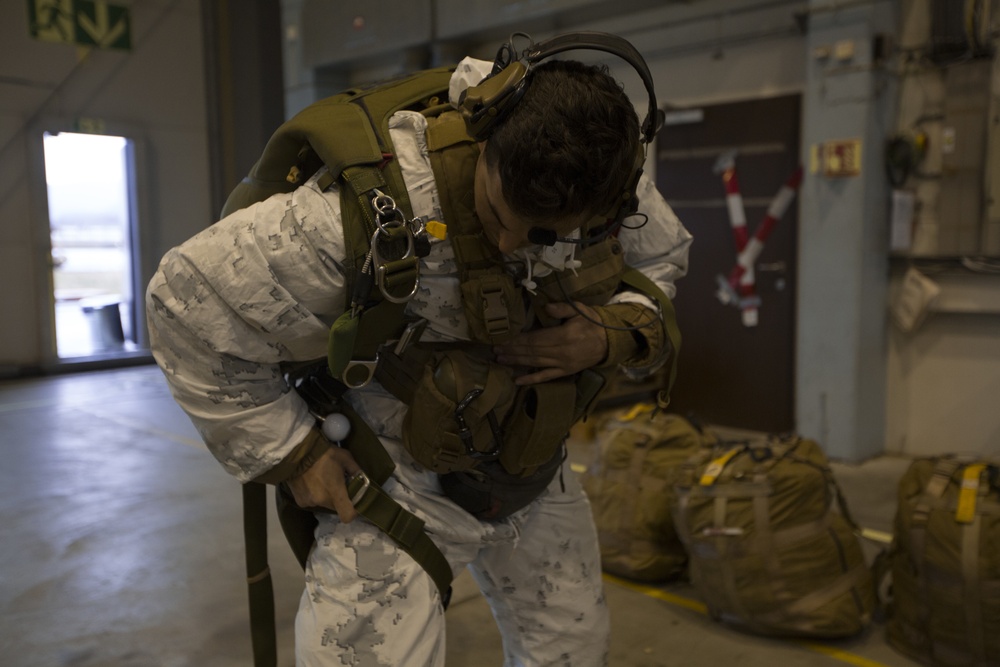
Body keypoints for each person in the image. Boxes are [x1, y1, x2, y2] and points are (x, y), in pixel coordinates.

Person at [147, 36, 692, 667]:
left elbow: (662, 258)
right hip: (397, 478)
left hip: (534, 464)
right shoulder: (358, 217)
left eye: (546, 235)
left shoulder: (611, 185)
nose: (514, 243)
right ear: (484, 136)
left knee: (572, 650)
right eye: (497, 213)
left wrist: (608, 333)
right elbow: (181, 304)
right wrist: (294, 454)